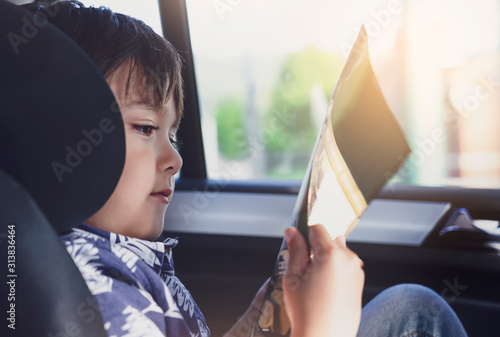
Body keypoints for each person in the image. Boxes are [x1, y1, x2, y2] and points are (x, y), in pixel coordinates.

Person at [23, 1, 469, 337]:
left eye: (173, 134)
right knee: (417, 315)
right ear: (62, 135)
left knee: (413, 305)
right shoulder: (95, 286)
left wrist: (261, 318)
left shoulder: (117, 258)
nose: (175, 159)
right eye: (144, 127)